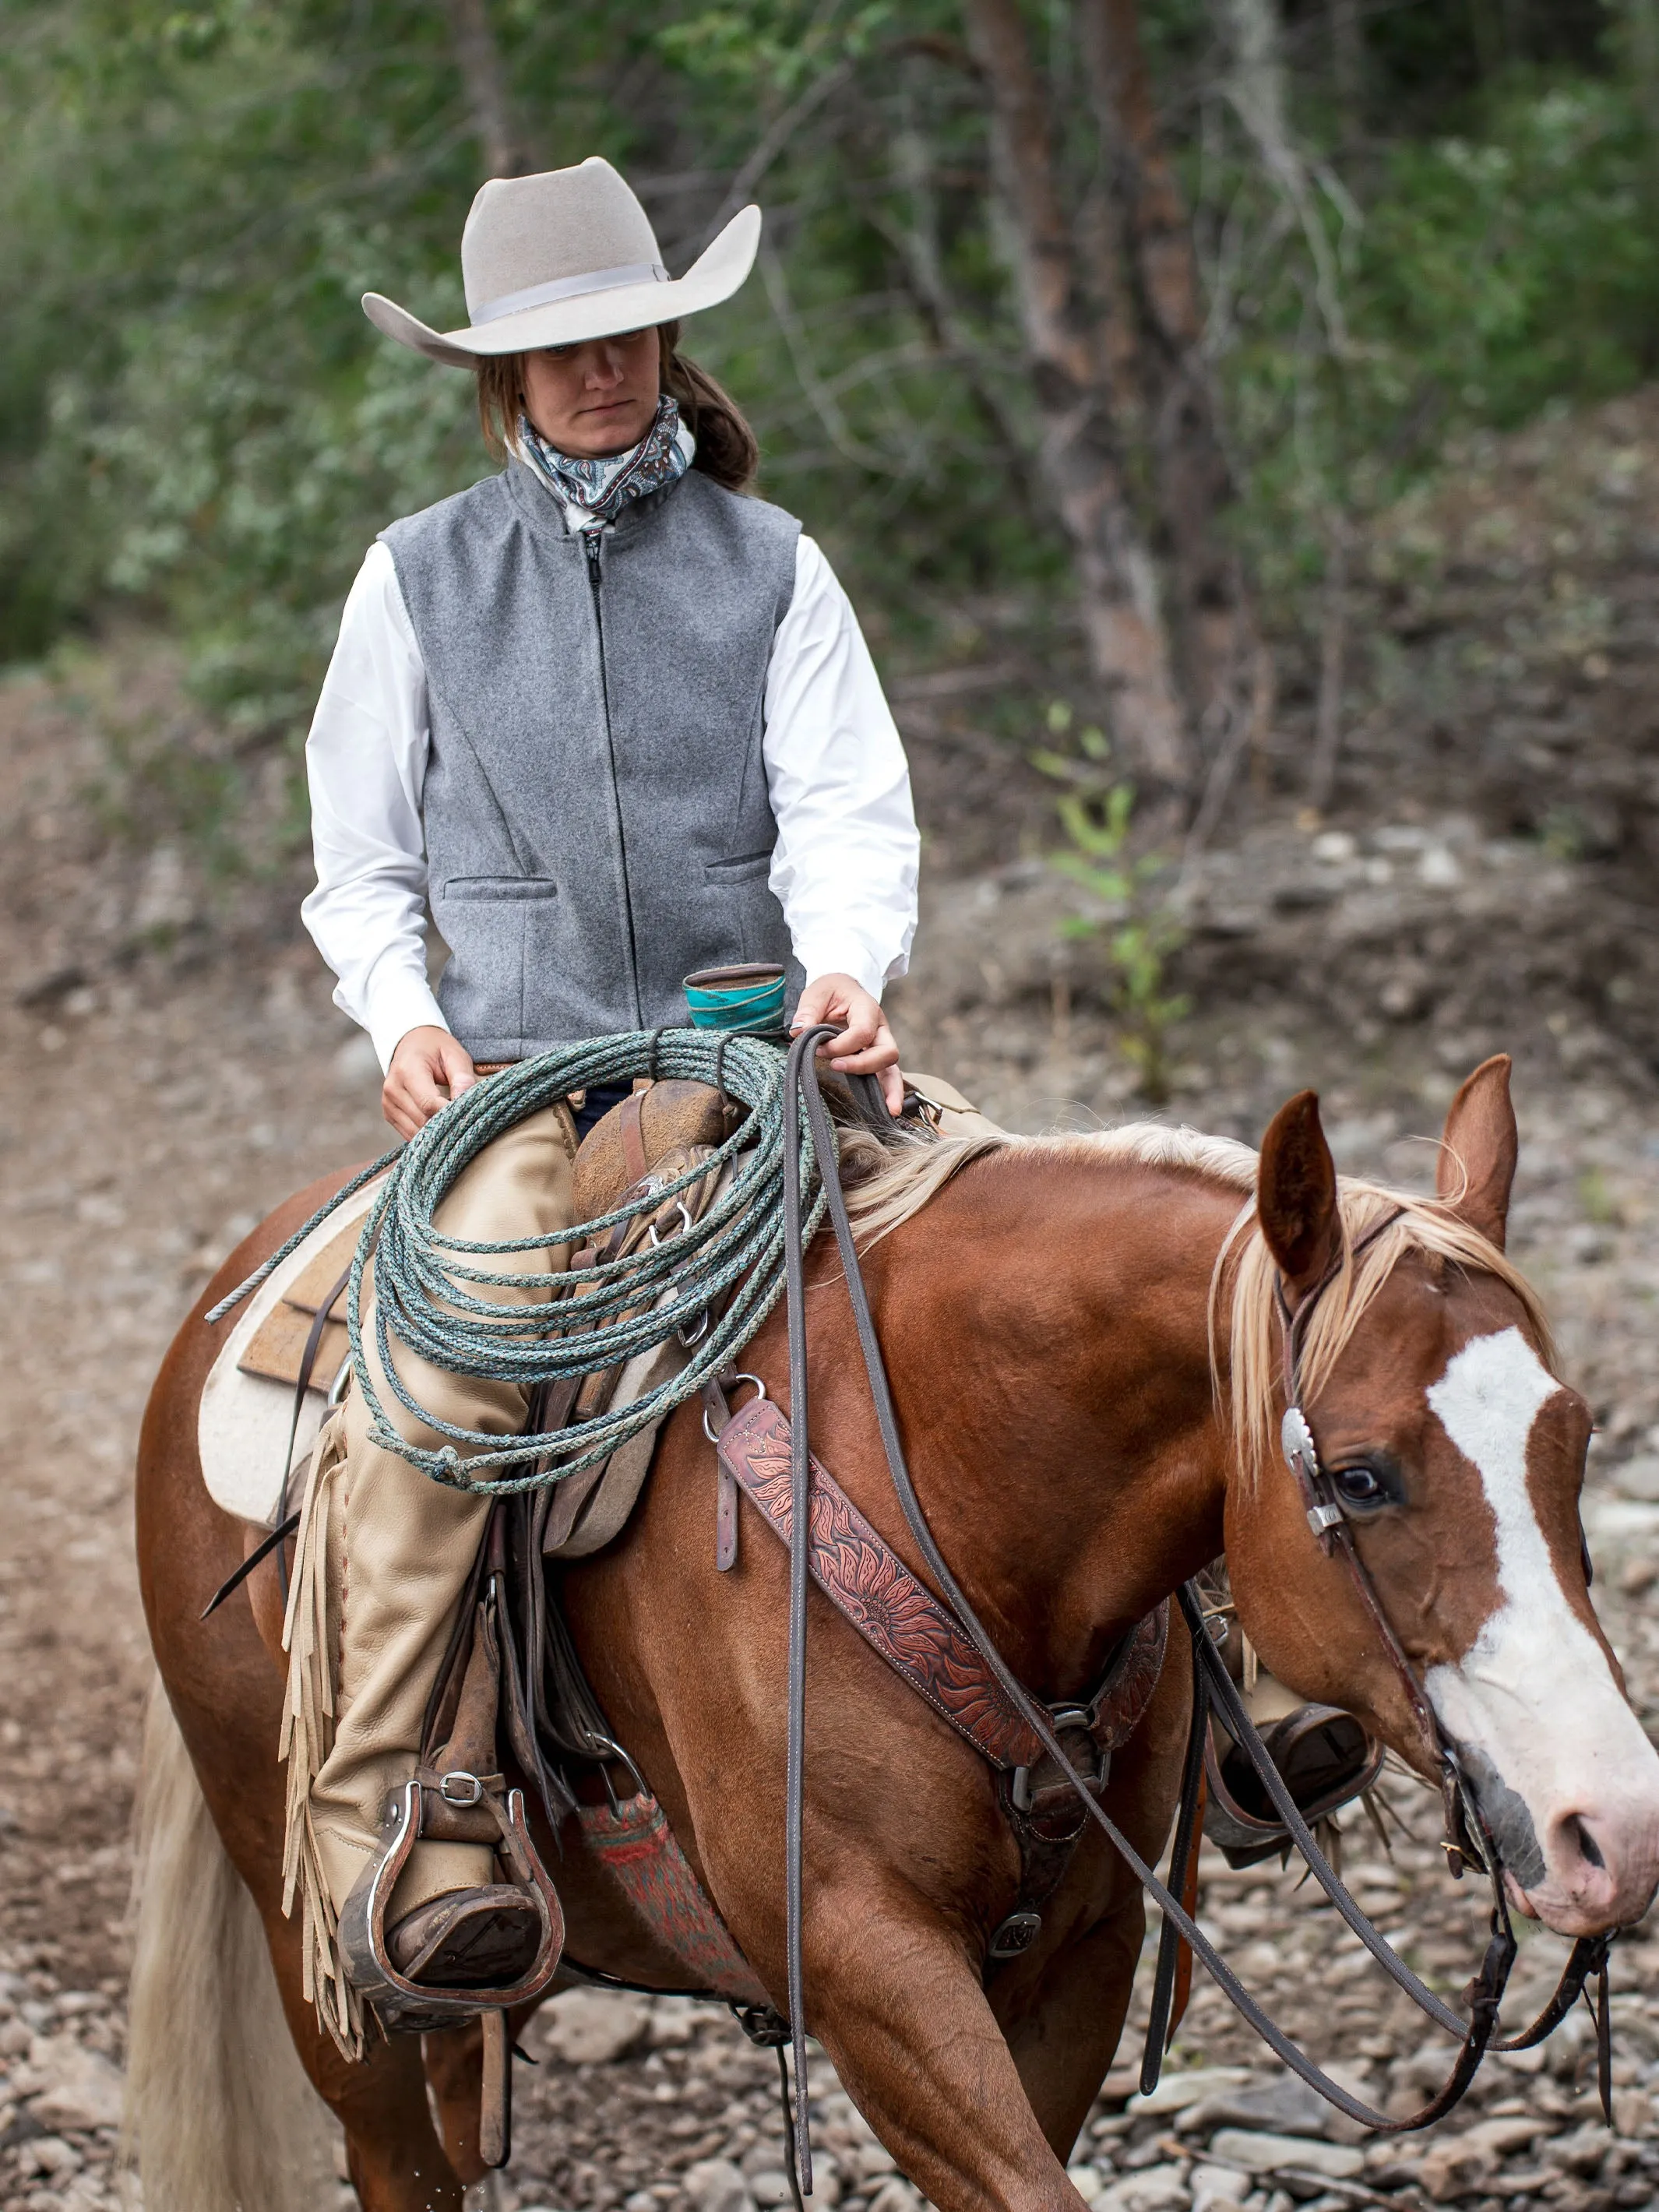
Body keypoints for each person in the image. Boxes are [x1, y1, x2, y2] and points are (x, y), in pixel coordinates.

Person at [294, 156, 919, 2038]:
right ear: (500, 373)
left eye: (626, 330)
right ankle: (396, 1821)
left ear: (668, 330)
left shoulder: (772, 562)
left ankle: (1208, 1707)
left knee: (1038, 1262)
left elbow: (846, 807)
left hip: (760, 1050)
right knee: (447, 1362)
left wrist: (851, 969)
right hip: (527, 1085)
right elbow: (359, 861)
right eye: (558, 348)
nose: (601, 370)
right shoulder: (416, 577)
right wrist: (402, 1016)